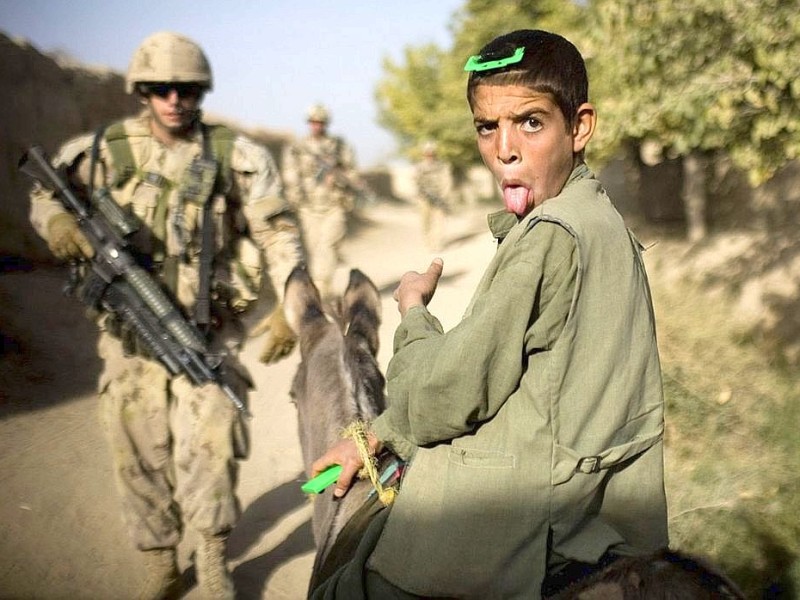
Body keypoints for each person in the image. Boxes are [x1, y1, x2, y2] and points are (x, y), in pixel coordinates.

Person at [308, 29, 669, 599]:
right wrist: (378, 435)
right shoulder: (599, 217)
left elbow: (441, 400)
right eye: (486, 126)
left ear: (580, 127)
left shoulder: (549, 236)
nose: (504, 149)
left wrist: (412, 314)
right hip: (602, 520)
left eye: (530, 122)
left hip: (529, 529)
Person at [28, 31, 304, 600]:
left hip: (208, 329)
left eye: (185, 88)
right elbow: (46, 194)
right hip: (128, 333)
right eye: (159, 88)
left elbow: (277, 233)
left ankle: (210, 555)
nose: (173, 99)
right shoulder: (101, 151)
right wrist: (57, 225)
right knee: (136, 445)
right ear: (141, 92)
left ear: (200, 91)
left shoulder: (236, 156)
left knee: (214, 443)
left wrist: (292, 305)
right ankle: (159, 560)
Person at [281, 104, 362, 299]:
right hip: (308, 207)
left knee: (328, 246)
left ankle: (322, 289)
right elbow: (290, 175)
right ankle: (315, 289)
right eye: (314, 122)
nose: (317, 126)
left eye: (321, 122)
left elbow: (352, 172)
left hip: (334, 204)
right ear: (309, 124)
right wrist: (295, 199)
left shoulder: (339, 147)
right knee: (312, 248)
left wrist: (341, 178)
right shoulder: (298, 148)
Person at [413, 140, 455, 251]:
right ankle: (428, 242)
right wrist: (422, 193)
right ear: (424, 153)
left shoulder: (441, 166)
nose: (429, 154)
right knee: (426, 221)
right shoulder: (419, 167)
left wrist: (443, 195)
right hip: (424, 198)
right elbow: (415, 181)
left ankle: (437, 243)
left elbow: (447, 181)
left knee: (439, 221)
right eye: (427, 152)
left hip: (439, 197)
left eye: (431, 152)